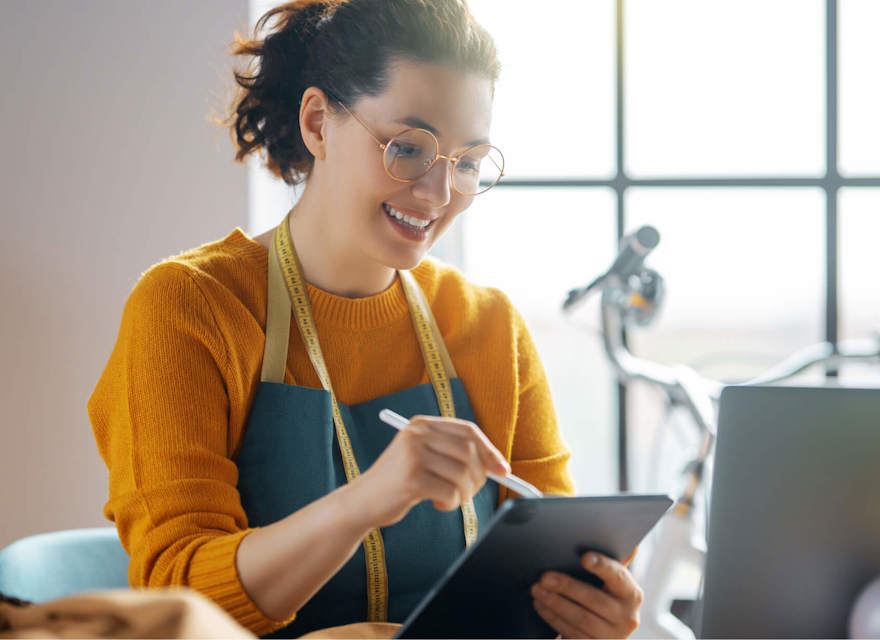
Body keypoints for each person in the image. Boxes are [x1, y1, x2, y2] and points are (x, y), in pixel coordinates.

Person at [87, 0, 644, 637]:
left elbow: (552, 562)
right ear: (319, 123)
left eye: (466, 164)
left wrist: (591, 609)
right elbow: (177, 595)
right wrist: (368, 501)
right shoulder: (192, 306)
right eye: (407, 148)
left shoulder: (489, 327)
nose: (437, 196)